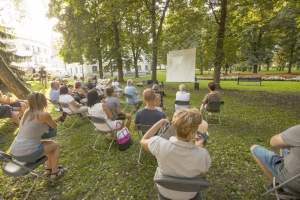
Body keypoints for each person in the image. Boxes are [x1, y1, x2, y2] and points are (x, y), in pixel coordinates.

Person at [140, 109, 211, 199]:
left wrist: (157, 124)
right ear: (191, 133)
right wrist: (199, 147)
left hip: (164, 191)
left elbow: (143, 141)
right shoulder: (203, 154)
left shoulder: (159, 144)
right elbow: (202, 173)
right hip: (189, 195)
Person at [9, 92, 67, 180]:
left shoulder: (27, 113)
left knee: (48, 145)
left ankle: (48, 169)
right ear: (43, 101)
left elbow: (38, 124)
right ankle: (55, 172)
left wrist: (55, 119)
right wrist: (55, 121)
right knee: (56, 145)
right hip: (26, 153)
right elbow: (54, 126)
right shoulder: (44, 115)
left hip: (15, 151)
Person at [250, 125, 300, 193]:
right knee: (285, 149)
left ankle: (279, 185)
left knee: (254, 148)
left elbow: (273, 142)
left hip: (293, 186)